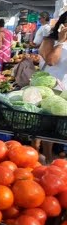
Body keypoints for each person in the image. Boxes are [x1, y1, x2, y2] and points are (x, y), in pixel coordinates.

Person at [34, 10, 67, 163]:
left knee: (58, 128)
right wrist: (60, 41)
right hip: (49, 90)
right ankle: (45, 157)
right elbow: (51, 61)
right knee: (47, 127)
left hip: (64, 90)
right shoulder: (50, 40)